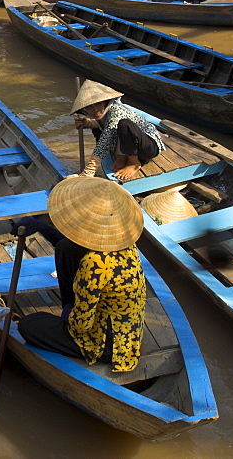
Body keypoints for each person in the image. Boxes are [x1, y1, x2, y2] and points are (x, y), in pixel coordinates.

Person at [15, 176, 146, 373]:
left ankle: (80, 341)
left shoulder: (94, 263)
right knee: (65, 247)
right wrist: (42, 228)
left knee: (28, 325)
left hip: (108, 343)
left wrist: (69, 314)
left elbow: (82, 324)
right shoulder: (122, 243)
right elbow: (71, 245)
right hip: (127, 325)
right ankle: (68, 311)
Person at [70, 80, 164, 181]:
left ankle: (134, 163)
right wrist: (87, 123)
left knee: (125, 124)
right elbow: (104, 126)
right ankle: (122, 157)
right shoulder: (104, 114)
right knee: (97, 128)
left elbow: (106, 138)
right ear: (84, 109)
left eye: (97, 104)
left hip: (148, 147)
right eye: (89, 107)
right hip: (131, 145)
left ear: (105, 101)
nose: (94, 109)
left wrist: (89, 170)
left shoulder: (117, 111)